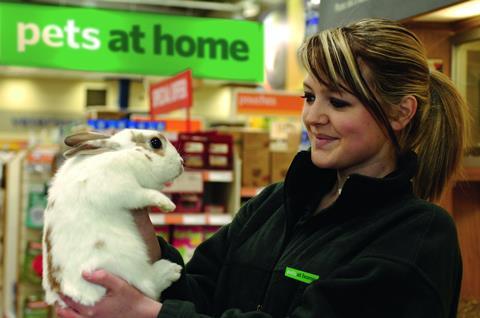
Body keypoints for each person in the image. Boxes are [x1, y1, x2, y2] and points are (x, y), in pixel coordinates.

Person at [55, 18, 470, 318]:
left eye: (338, 102)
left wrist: (148, 315)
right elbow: (198, 291)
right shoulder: (275, 203)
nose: (314, 118)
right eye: (309, 97)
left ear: (401, 113)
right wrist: (135, 222)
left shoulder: (418, 236)